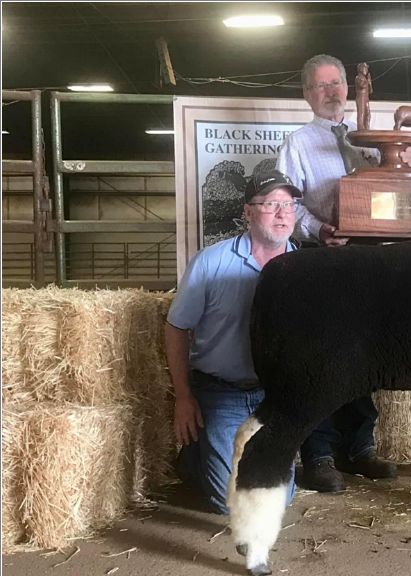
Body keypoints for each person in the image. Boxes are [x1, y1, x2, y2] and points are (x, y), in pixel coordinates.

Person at [276, 53, 398, 493]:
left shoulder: (375, 140)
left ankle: (360, 448)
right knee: (324, 358)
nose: (331, 92)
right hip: (323, 258)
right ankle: (319, 454)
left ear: (350, 88)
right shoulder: (298, 143)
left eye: (337, 84)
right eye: (321, 85)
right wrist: (318, 229)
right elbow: (287, 205)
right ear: (307, 94)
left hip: (369, 260)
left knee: (366, 354)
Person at [165, 170, 303, 514]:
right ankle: (198, 456)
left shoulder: (306, 270)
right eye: (271, 204)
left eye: (289, 204)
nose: (283, 213)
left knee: (276, 500)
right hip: (220, 392)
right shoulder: (210, 262)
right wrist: (183, 397)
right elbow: (176, 327)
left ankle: (208, 451)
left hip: (274, 396)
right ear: (248, 212)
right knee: (231, 504)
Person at [355, 62, 372, 131]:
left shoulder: (365, 79)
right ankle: (361, 127)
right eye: (365, 68)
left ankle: (366, 127)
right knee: (361, 113)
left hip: (366, 98)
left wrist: (369, 82)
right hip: (361, 97)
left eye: (367, 69)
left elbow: (370, 91)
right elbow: (362, 85)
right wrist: (367, 81)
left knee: (368, 113)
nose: (366, 70)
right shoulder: (358, 77)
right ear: (360, 69)